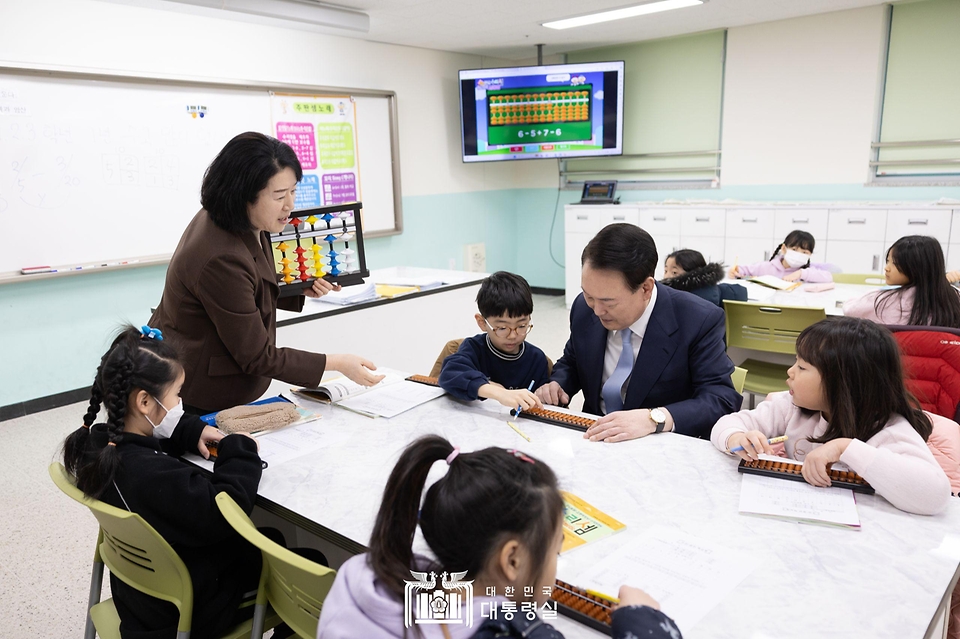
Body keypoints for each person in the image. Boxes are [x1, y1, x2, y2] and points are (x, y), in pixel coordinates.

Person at [316, 435, 682, 638]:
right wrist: (645, 622)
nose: (555, 564)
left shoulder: (363, 574)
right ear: (512, 560)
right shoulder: (516, 633)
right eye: (555, 551)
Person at [150, 132, 382, 415]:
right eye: (279, 196)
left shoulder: (236, 218)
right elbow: (257, 355)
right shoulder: (221, 256)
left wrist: (298, 288)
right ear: (243, 195)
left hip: (211, 369)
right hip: (200, 391)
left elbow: (248, 285)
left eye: (293, 191)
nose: (290, 205)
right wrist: (335, 362)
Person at [60, 325, 266, 638]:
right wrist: (240, 448)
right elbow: (228, 510)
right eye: (176, 395)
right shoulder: (153, 475)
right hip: (185, 610)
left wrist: (189, 430)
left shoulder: (96, 447)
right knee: (294, 554)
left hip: (141, 598)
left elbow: (152, 436)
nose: (180, 403)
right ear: (144, 402)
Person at [711, 317, 951, 515]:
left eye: (802, 367)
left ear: (845, 383)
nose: (790, 371)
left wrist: (845, 447)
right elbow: (726, 423)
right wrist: (736, 437)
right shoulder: (791, 406)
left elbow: (935, 497)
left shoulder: (888, 430)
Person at [536, 224, 741, 441]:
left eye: (608, 302)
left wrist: (655, 418)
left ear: (646, 288)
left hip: (658, 444)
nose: (596, 311)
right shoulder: (583, 308)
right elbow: (573, 360)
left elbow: (721, 398)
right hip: (595, 438)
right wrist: (558, 384)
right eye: (588, 296)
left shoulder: (697, 319)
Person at [439, 271, 549, 410]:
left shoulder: (536, 359)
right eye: (502, 328)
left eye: (521, 326)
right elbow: (450, 373)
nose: (513, 335)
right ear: (482, 323)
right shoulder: (474, 348)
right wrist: (498, 392)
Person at [843, 235, 960, 328]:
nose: (886, 268)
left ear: (915, 267)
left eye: (895, 263)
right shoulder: (953, 298)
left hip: (894, 356)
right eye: (887, 261)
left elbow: (850, 310)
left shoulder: (882, 300)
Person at [728, 230, 832, 283]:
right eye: (794, 250)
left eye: (804, 252)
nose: (798, 255)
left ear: (810, 255)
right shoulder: (767, 267)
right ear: (784, 249)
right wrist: (735, 271)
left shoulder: (808, 272)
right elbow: (743, 270)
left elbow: (828, 277)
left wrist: (801, 273)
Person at [661, 248, 747, 308]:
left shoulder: (695, 299)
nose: (667, 276)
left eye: (674, 272)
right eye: (665, 271)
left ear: (692, 274)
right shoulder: (712, 290)